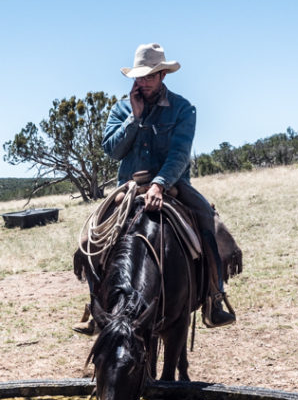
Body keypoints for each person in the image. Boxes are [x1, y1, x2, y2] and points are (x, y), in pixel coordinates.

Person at [87, 42, 235, 330]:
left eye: (149, 76)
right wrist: (135, 116)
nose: (143, 83)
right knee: (90, 239)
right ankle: (96, 306)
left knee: (209, 224)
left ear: (163, 76)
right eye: (139, 77)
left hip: (172, 184)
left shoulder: (183, 109)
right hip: (129, 188)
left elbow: (179, 154)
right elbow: (112, 150)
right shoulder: (121, 109)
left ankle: (214, 298)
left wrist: (159, 184)